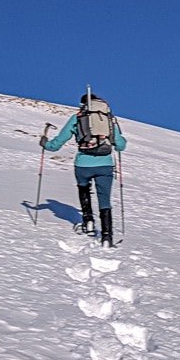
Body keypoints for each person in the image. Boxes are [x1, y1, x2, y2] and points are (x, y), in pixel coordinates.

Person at [41, 93, 127, 246]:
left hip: (82, 164)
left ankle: (88, 222)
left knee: (83, 189)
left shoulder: (77, 118)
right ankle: (107, 236)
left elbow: (58, 142)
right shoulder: (108, 118)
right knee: (104, 199)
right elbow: (120, 145)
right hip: (105, 164)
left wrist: (46, 144)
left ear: (83, 105)